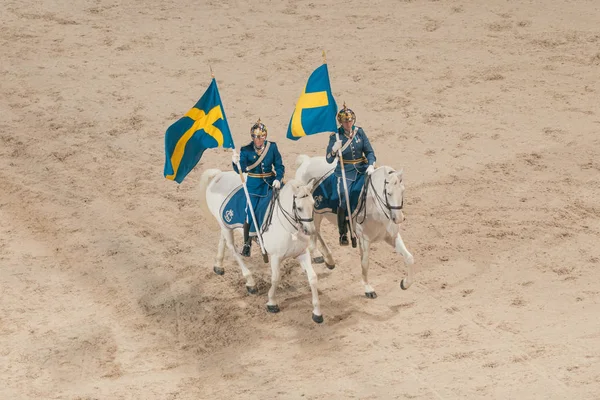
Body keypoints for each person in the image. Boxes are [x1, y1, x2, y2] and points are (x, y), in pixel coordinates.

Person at [232, 119, 285, 257]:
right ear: (252, 137)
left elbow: (279, 166)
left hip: (270, 182)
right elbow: (241, 169)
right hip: (254, 186)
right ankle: (247, 243)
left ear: (265, 136)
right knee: (250, 213)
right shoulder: (246, 150)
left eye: (261, 136)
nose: (258, 139)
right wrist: (235, 162)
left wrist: (278, 179)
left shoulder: (272, 147)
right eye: (255, 137)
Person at [326, 104, 376, 246]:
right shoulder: (335, 136)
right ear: (341, 122)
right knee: (343, 196)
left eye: (350, 121)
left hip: (362, 167)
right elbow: (329, 159)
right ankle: (343, 233)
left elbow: (369, 151)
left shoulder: (359, 132)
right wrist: (334, 150)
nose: (348, 124)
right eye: (345, 121)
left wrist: (371, 164)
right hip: (345, 170)